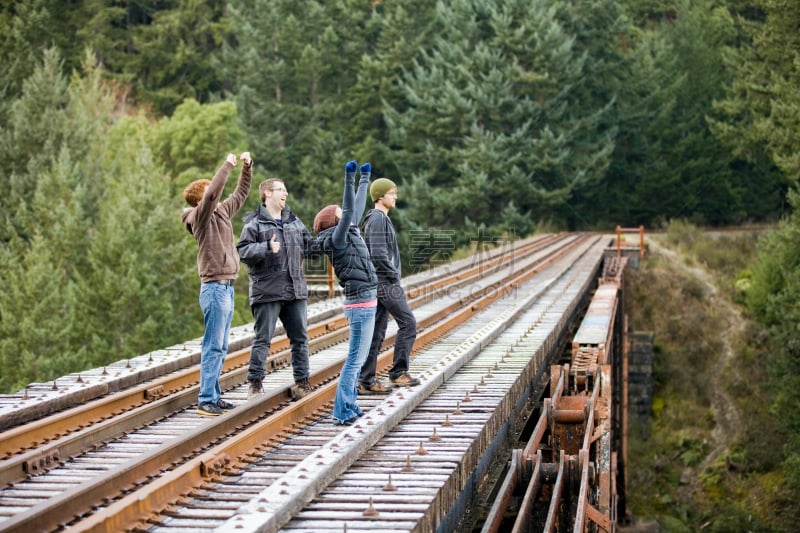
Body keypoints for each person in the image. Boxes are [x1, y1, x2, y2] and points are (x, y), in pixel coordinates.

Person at [181, 152, 252, 416]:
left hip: (227, 288)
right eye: (212, 193)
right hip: (214, 288)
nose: (219, 196)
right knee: (213, 344)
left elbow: (241, 194)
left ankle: (214, 394)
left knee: (221, 345)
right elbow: (212, 195)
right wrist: (227, 165)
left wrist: (246, 168)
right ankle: (205, 399)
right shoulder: (199, 217)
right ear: (202, 198)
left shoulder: (221, 213)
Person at [237, 177, 317, 400]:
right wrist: (265, 247)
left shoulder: (294, 221)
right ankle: (255, 383)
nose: (285, 193)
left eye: (285, 189)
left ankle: (302, 383)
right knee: (263, 339)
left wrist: (331, 237)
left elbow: (310, 248)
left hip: (295, 290)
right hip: (268, 291)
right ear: (267, 194)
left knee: (300, 339)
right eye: (280, 189)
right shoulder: (254, 224)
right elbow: (242, 251)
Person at [313, 160, 377, 425]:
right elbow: (350, 209)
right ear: (335, 221)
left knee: (359, 359)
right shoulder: (337, 239)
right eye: (341, 213)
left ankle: (350, 405)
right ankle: (342, 412)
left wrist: (365, 179)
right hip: (360, 304)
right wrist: (348, 179)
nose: (347, 214)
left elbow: (356, 208)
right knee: (354, 360)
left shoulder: (350, 232)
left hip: (366, 300)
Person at [357, 175, 420, 394]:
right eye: (392, 193)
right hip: (385, 282)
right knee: (408, 323)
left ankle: (365, 380)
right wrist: (393, 275)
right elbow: (378, 254)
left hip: (380, 282)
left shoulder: (379, 218)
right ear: (380, 196)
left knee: (376, 332)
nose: (395, 196)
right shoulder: (377, 219)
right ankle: (398, 373)